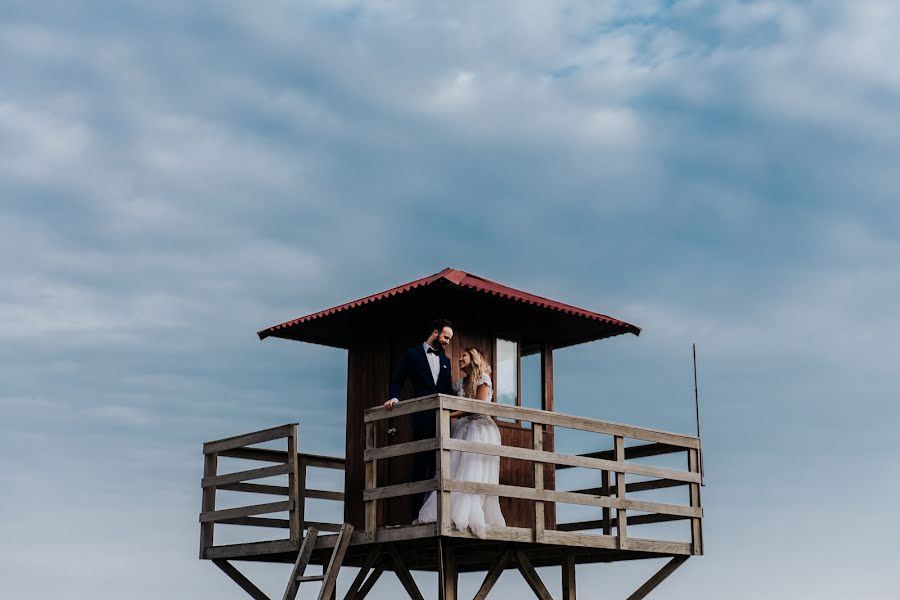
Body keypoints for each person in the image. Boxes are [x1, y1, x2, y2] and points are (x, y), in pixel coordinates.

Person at [416, 347, 506, 539]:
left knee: (473, 470)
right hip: (462, 428)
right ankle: (449, 510)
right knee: (455, 469)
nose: (459, 359)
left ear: (474, 358)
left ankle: (471, 513)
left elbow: (477, 406)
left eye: (463, 355)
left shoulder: (484, 380)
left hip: (480, 428)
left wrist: (448, 413)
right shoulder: (459, 385)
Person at [384, 318, 454, 492]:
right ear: (435, 333)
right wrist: (394, 397)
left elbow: (447, 390)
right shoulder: (412, 354)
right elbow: (397, 380)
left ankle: (435, 511)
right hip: (422, 419)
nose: (447, 342)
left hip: (443, 421)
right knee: (420, 466)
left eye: (449, 339)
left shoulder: (446, 361)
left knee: (440, 467)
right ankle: (416, 515)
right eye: (446, 337)